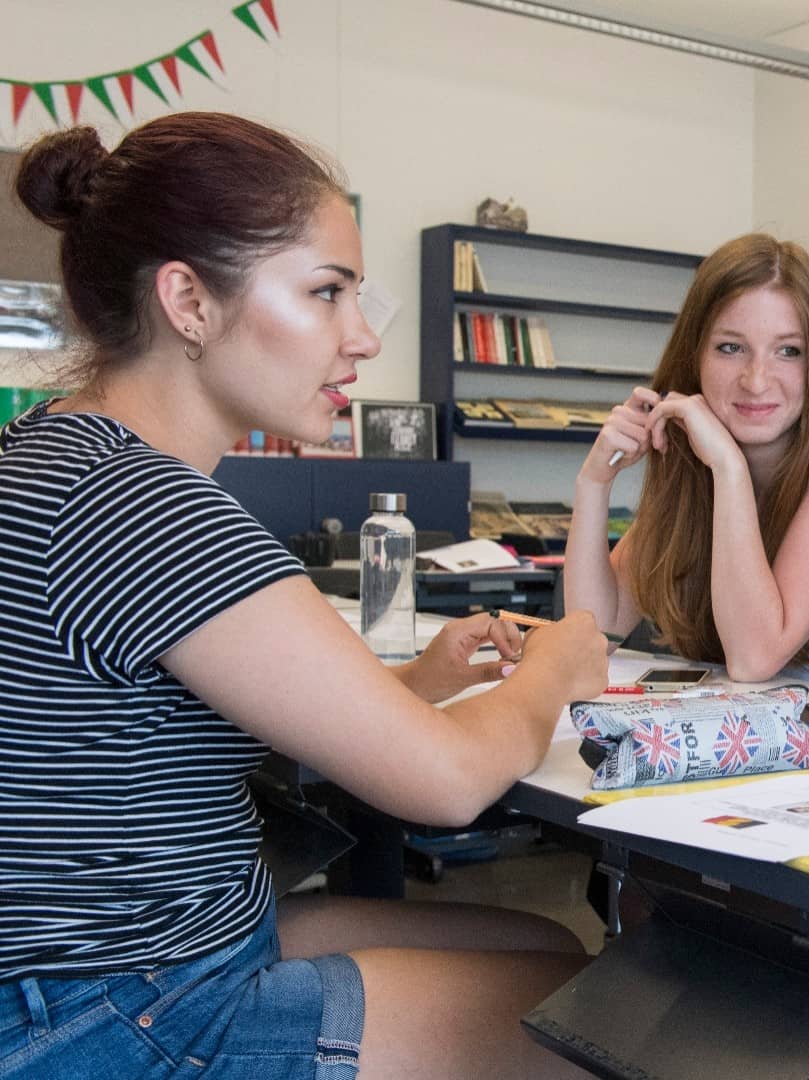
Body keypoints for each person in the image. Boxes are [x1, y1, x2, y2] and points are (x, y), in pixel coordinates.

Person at [0, 114, 610, 1079]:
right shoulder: (143, 504)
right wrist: (563, 666)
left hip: (96, 968)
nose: (362, 338)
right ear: (188, 300)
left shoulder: (55, 452)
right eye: (326, 294)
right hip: (109, 1009)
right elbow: (447, 784)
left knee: (553, 952)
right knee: (590, 1023)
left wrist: (416, 682)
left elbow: (185, 724)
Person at [564, 234, 809, 698]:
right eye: (730, 348)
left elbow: (754, 657)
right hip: (765, 743)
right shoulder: (694, 467)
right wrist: (594, 482)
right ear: (694, 356)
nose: (757, 380)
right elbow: (591, 635)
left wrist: (729, 468)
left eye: (788, 351)